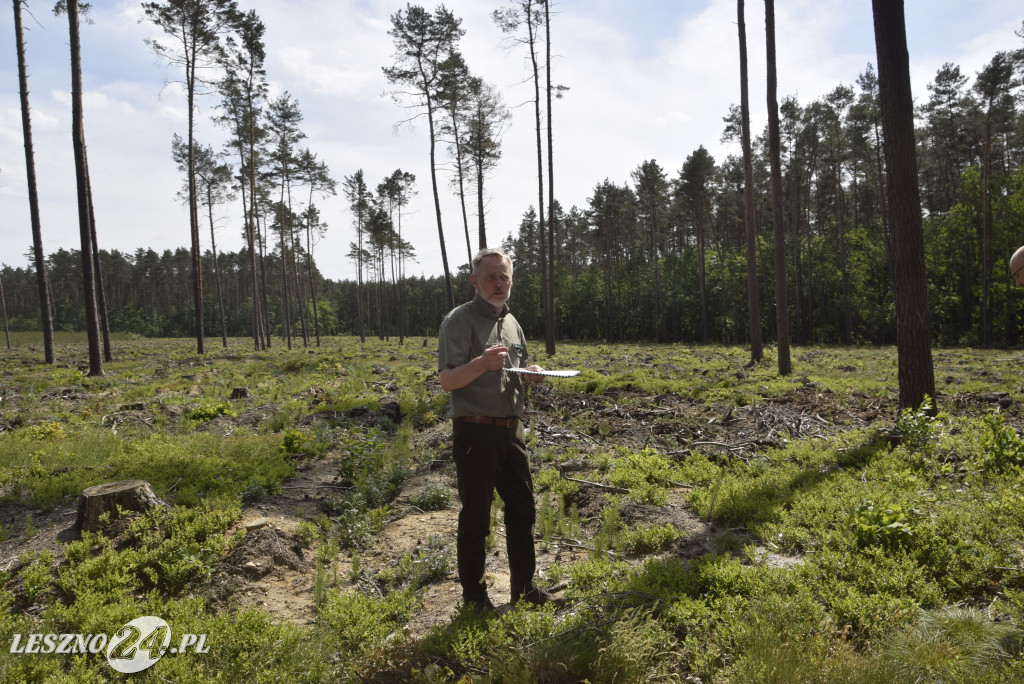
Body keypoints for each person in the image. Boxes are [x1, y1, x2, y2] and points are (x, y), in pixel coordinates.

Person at [437, 247, 560, 614]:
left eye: (504, 276)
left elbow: (513, 373)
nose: (498, 283)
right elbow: (447, 381)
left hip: (512, 431)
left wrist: (531, 373)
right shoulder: (458, 321)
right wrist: (479, 363)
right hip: (475, 432)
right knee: (476, 517)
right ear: (475, 281)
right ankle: (474, 599)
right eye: (490, 276)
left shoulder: (512, 323)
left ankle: (525, 588)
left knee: (523, 512)